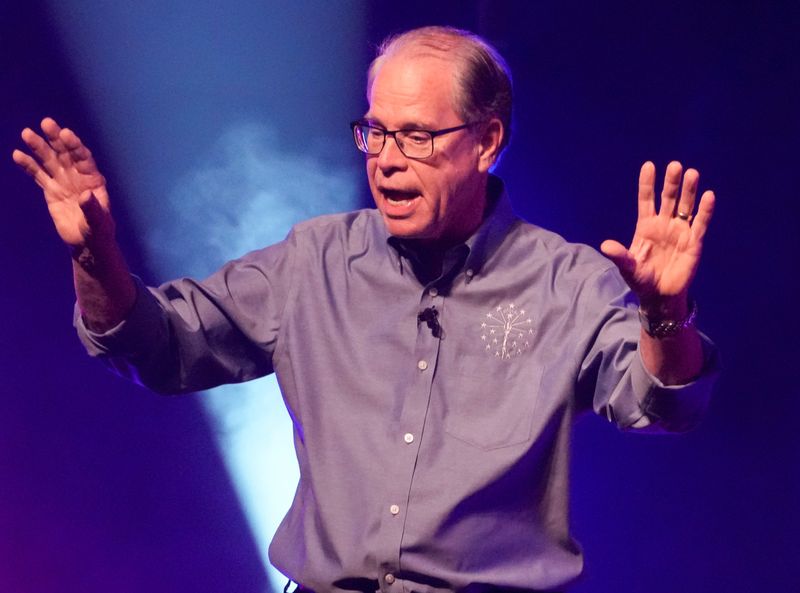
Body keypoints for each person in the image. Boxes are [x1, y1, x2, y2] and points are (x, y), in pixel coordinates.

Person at [13, 26, 717, 593]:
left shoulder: (567, 281)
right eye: (374, 132)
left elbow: (664, 402)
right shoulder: (314, 260)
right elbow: (153, 345)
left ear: (488, 142)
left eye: (416, 135)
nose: (384, 158)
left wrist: (663, 312)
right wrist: (96, 254)